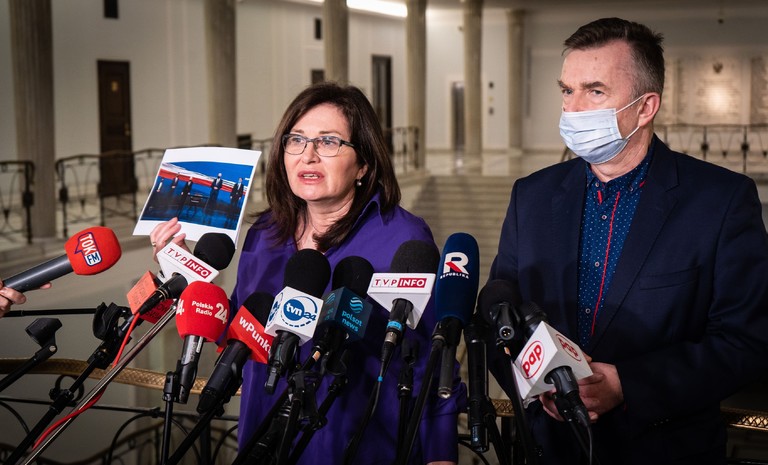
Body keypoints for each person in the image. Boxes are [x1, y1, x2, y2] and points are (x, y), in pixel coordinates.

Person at [488, 17, 768, 465]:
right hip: (549, 451)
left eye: (595, 91)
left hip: (663, 450)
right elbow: (499, 313)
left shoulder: (721, 202)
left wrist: (628, 385)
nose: (573, 109)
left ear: (645, 107)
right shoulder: (532, 196)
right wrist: (535, 386)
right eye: (567, 90)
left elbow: (747, 342)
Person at [150, 82, 463, 465]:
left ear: (363, 163)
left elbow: (434, 359)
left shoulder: (402, 238)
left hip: (357, 447)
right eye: (296, 140)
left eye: (328, 142)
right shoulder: (265, 233)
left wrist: (440, 456)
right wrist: (189, 275)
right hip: (264, 441)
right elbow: (242, 332)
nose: (308, 156)